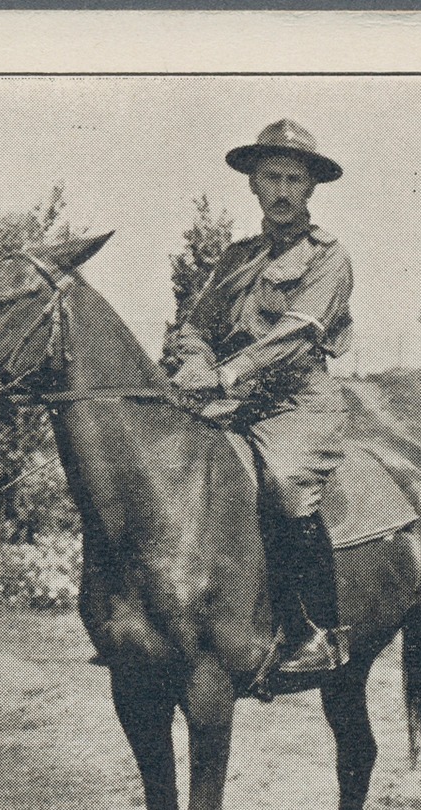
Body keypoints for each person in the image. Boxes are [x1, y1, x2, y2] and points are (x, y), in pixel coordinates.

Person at [165, 120, 354, 676]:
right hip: (236, 402)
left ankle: (315, 631)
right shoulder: (236, 258)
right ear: (252, 184)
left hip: (299, 402)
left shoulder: (329, 257)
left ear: (311, 189)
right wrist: (196, 361)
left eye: (293, 179)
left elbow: (296, 334)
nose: (281, 190)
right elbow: (196, 326)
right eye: (270, 177)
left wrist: (223, 376)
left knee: (284, 485)